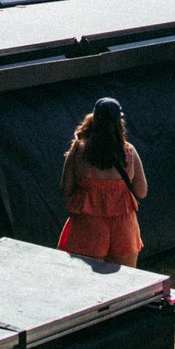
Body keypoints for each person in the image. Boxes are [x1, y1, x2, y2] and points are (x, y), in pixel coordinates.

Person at [57, 96, 145, 266]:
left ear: (94, 119)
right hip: (123, 227)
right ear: (120, 122)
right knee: (125, 282)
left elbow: (66, 190)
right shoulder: (129, 152)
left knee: (86, 283)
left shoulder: (78, 150)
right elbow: (141, 191)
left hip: (88, 227)